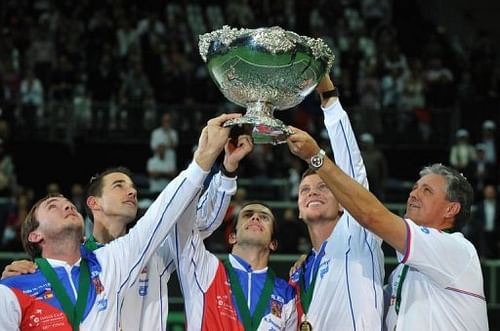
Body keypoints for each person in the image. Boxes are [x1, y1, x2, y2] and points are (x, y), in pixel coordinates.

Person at [0, 113, 244, 330]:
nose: (132, 192)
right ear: (93, 203)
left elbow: (196, 222)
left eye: (133, 187)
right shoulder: (83, 261)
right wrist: (30, 272)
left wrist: (225, 171)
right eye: (119, 186)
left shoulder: (151, 252)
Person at [286, 128, 489, 330]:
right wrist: (316, 261)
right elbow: (360, 303)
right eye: (414, 188)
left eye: (426, 190)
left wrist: (316, 157)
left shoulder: (457, 250)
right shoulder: (400, 275)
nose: (413, 195)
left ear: (451, 209)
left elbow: (372, 217)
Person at [170, 116, 297, 329]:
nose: (255, 217)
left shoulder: (286, 294)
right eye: (248, 215)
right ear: (232, 236)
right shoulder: (206, 270)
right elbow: (181, 221)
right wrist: (222, 165)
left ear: (273, 243)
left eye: (264, 217)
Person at [288, 75, 384, 330]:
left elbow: (353, 172)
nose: (312, 193)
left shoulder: (357, 234)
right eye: (304, 190)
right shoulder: (301, 269)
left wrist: (329, 100)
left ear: (343, 203)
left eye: (323, 187)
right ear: (298, 209)